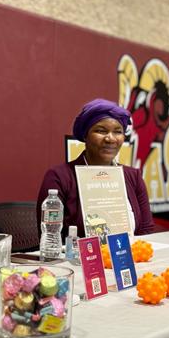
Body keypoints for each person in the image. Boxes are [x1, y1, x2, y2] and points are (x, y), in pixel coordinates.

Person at [37, 98, 155, 240]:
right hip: (77, 260)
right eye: (101, 130)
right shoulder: (60, 177)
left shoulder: (133, 176)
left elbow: (146, 231)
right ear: (85, 135)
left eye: (118, 132)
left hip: (129, 259)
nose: (110, 138)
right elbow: (50, 238)